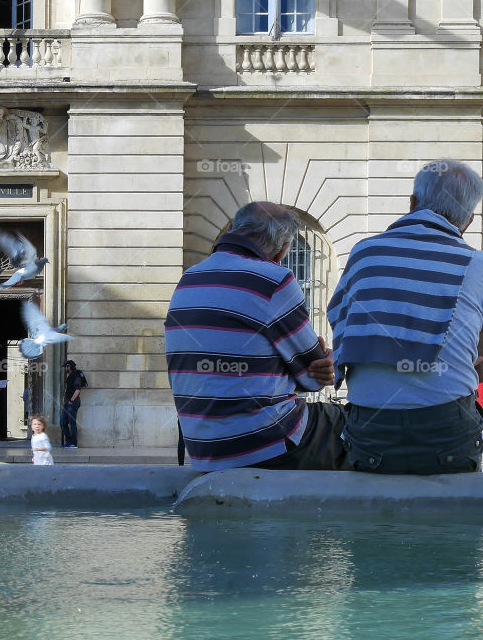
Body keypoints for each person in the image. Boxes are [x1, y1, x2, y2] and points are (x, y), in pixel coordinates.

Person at [329, 160, 483, 474]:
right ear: (468, 220)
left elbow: (341, 323)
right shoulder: (476, 264)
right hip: (447, 439)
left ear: (412, 204)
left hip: (371, 437)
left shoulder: (363, 253)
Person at [165, 202, 344, 471]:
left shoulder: (189, 279)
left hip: (203, 450)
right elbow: (311, 377)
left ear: (232, 228)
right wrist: (326, 366)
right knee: (358, 426)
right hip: (263, 444)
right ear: (283, 248)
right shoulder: (274, 281)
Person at [61, 360, 86, 449]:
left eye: (66, 367)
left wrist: (71, 400)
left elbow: (78, 389)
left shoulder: (75, 375)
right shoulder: (71, 376)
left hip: (72, 403)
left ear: (69, 366)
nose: (65, 369)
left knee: (72, 423)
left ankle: (74, 443)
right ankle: (69, 441)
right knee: (63, 422)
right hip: (68, 403)